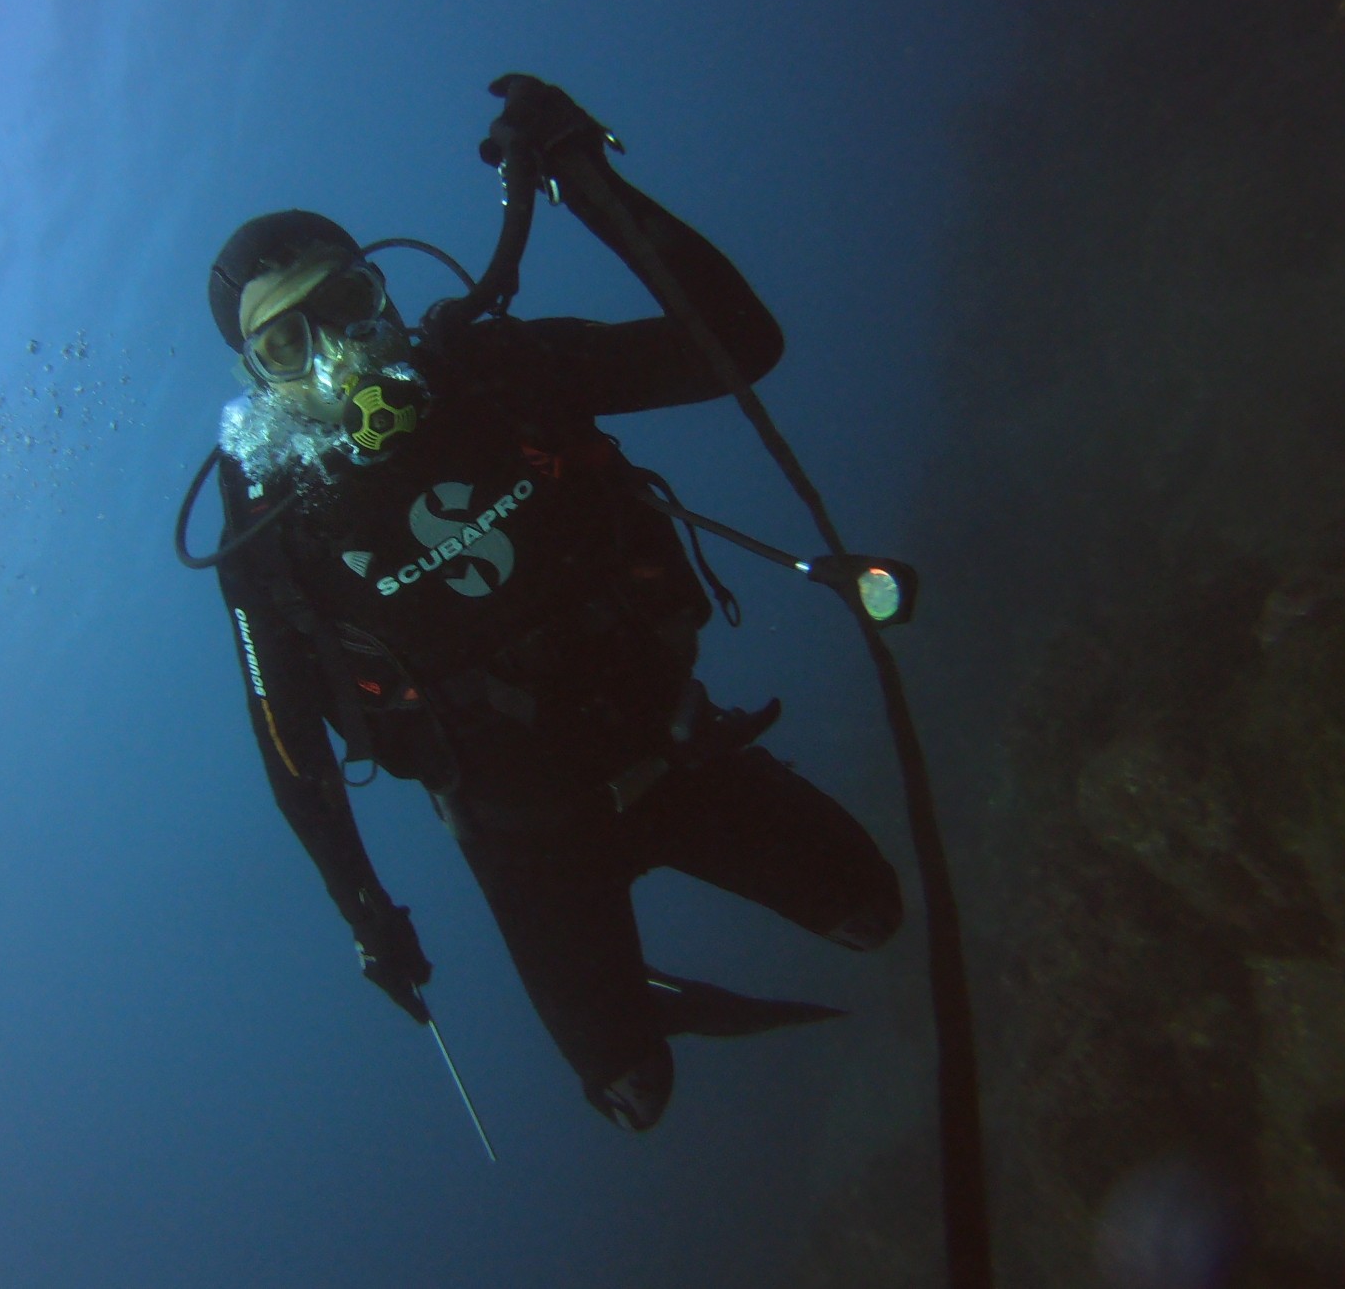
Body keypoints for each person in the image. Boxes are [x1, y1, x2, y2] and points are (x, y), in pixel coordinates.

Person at [203, 77, 902, 1131]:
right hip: (526, 848)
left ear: (382, 294)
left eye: (345, 306)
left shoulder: (498, 372)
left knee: (874, 910)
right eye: (288, 345)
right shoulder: (271, 531)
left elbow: (737, 343)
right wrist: (365, 912)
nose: (337, 356)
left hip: (677, 749)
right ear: (259, 380)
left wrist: (582, 175)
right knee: (631, 1094)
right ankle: (655, 1005)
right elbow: (291, 747)